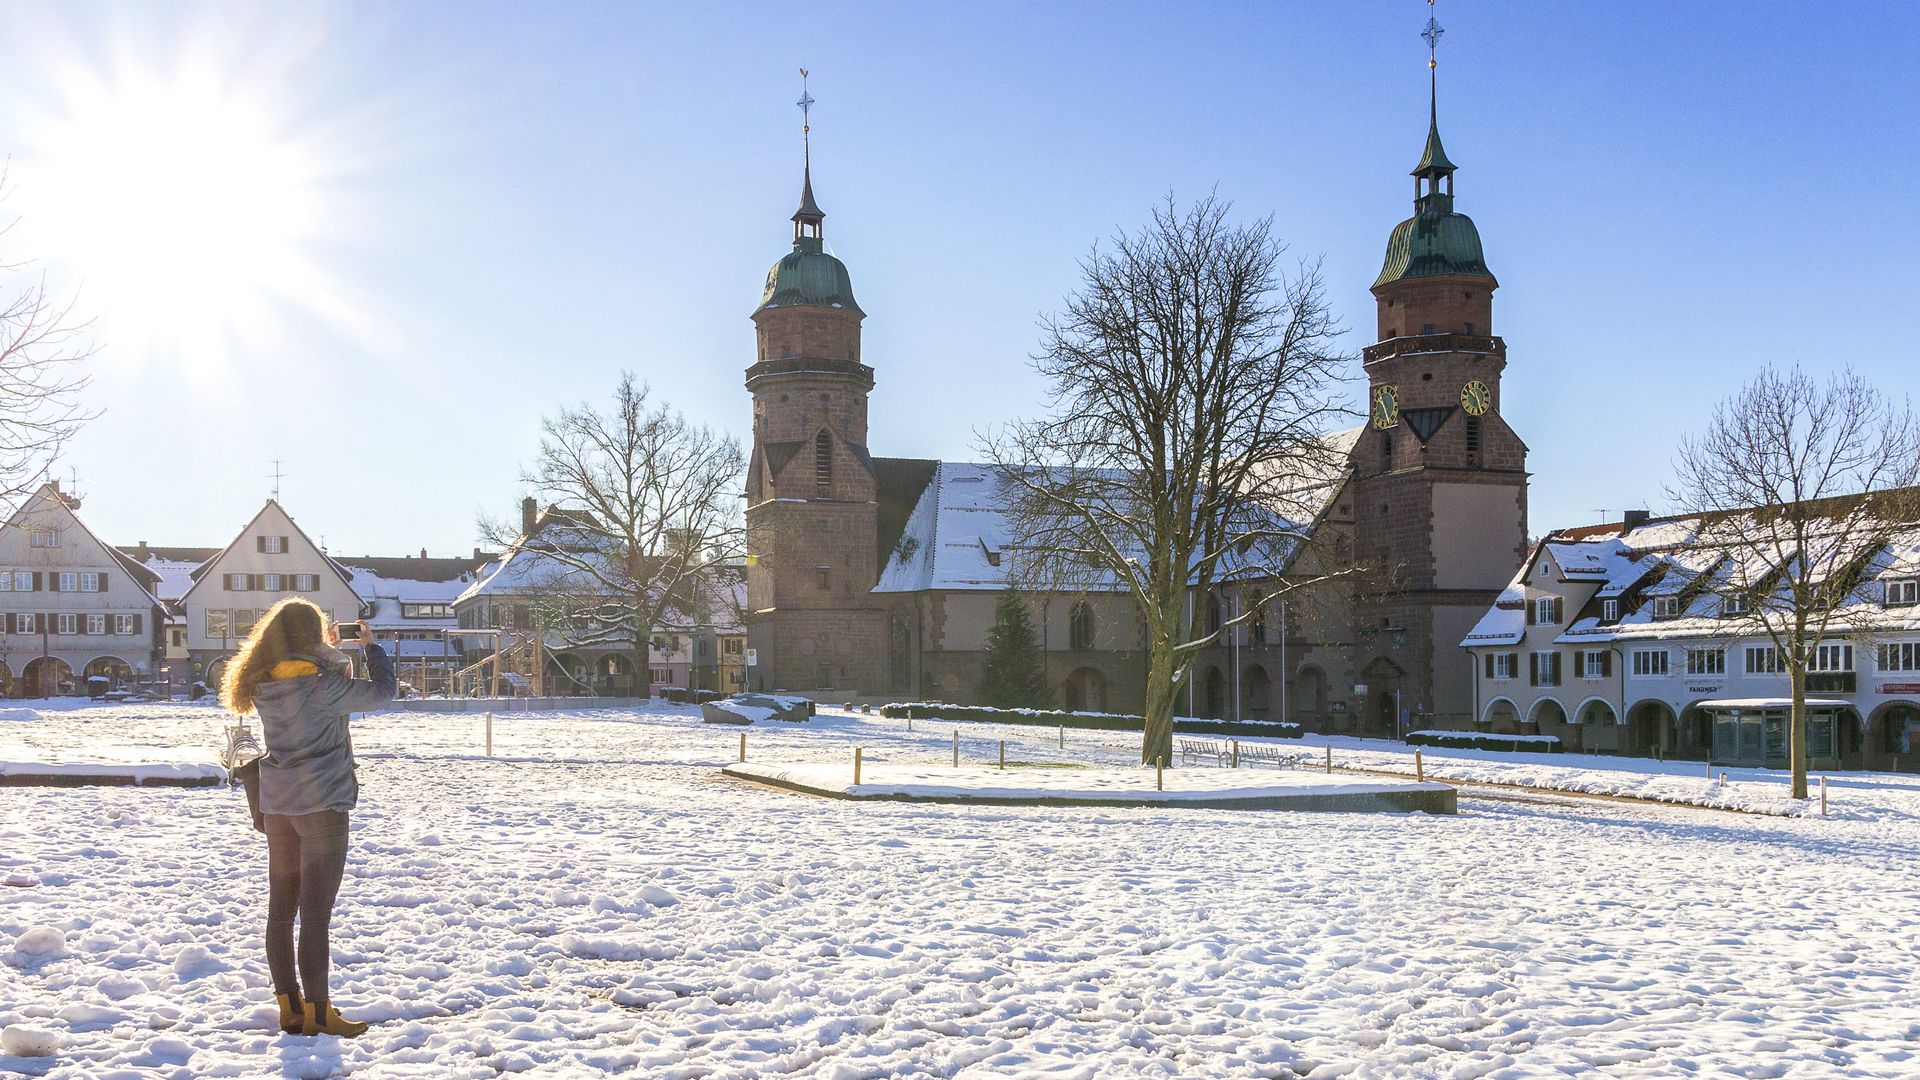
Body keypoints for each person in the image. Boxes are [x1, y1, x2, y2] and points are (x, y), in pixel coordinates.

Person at [220, 596, 395, 1038]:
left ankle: (289, 1007)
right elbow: (381, 694)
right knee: (315, 915)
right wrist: (371, 649)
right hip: (322, 804)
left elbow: (331, 699)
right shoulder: (321, 684)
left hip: (277, 805)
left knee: (281, 912)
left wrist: (331, 658)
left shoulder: (261, 681)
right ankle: (320, 1012)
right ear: (311, 636)